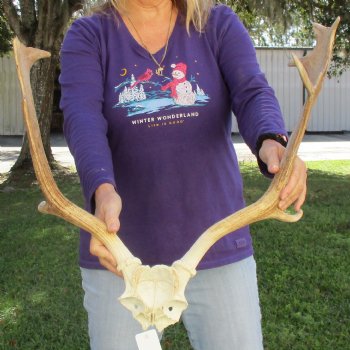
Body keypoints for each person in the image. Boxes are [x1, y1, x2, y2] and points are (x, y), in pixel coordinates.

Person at [59, 1, 307, 349]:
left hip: (216, 244)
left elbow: (252, 91)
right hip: (121, 256)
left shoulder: (216, 23)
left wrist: (271, 140)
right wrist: (102, 189)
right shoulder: (88, 35)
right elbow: (82, 118)